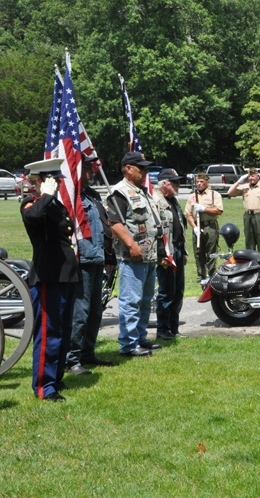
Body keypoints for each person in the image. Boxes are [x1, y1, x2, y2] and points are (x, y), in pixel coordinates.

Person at [20, 158, 79, 401]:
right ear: (39, 180)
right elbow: (33, 218)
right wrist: (44, 195)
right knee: (49, 331)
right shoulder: (32, 202)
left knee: (63, 331)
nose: (58, 184)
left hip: (65, 273)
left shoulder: (55, 204)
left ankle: (56, 377)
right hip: (48, 274)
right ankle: (44, 387)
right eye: (53, 180)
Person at [107, 151, 163, 357]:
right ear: (128, 169)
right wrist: (131, 246)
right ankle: (128, 344)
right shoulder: (119, 193)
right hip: (132, 256)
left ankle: (140, 337)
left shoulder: (142, 191)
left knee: (146, 299)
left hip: (149, 255)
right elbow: (115, 224)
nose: (146, 171)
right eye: (142, 168)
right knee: (131, 301)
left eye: (147, 168)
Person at [66, 154, 116, 375]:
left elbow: (105, 226)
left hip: (97, 258)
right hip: (82, 260)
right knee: (80, 312)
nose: (92, 171)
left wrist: (109, 257)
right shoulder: (71, 197)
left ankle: (87, 352)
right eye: (87, 167)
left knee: (95, 311)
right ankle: (71, 359)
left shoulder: (92, 196)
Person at [154, 169, 188, 340]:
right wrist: (161, 255)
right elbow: (156, 231)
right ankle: (163, 329)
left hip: (178, 250)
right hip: (166, 253)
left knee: (178, 292)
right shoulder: (156, 201)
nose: (178, 185)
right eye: (175, 182)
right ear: (165, 183)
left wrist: (184, 252)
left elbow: (180, 227)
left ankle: (173, 328)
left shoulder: (173, 200)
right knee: (166, 292)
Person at [185, 172, 223, 283]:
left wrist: (204, 209)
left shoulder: (214, 195)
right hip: (197, 226)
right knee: (198, 252)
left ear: (207, 182)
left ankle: (211, 274)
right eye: (197, 182)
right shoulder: (192, 196)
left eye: (201, 181)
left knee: (211, 251)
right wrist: (194, 227)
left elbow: (219, 210)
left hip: (210, 226)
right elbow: (188, 214)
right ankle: (201, 275)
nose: (199, 184)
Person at [227, 168, 260, 255]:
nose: (250, 178)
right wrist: (239, 181)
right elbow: (230, 192)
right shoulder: (245, 187)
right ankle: (250, 261)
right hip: (248, 216)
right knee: (249, 240)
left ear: (258, 176)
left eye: (252, 176)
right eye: (249, 176)